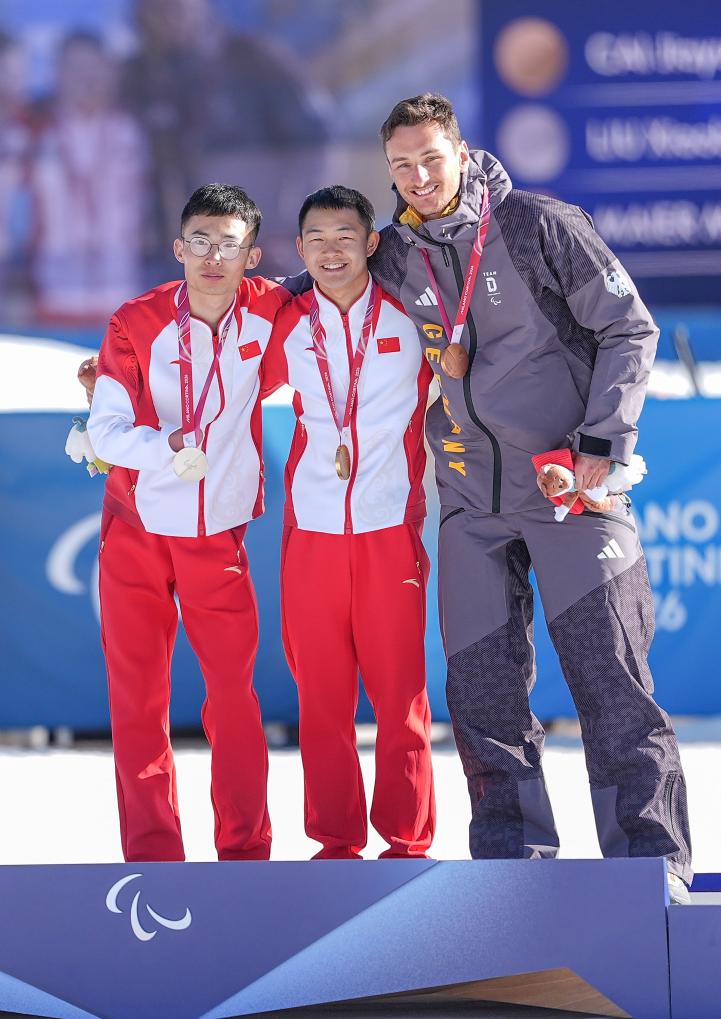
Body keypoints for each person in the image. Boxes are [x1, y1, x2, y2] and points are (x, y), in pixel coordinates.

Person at [368, 94, 692, 900]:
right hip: (469, 503)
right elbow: (312, 286)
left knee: (611, 685)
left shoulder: (535, 225)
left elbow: (629, 328)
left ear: (461, 151)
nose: (417, 176)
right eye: (401, 165)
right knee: (481, 698)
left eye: (430, 157)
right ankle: (512, 878)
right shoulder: (393, 253)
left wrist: (599, 445)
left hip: (568, 490)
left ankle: (649, 875)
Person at [86, 183, 293, 862]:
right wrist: (164, 447)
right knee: (137, 702)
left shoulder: (272, 310)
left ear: (251, 256)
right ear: (178, 248)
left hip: (218, 537)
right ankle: (153, 859)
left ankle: (246, 855)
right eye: (199, 241)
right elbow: (105, 430)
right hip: (136, 530)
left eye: (228, 245)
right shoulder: (135, 320)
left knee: (232, 699)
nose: (212, 257)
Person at [262, 186, 435, 859]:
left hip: (389, 528)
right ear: (299, 249)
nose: (331, 250)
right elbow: (220, 376)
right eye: (317, 239)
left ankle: (407, 842)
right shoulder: (285, 322)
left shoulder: (411, 313)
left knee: (400, 699)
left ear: (371, 242)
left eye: (345, 236)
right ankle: (335, 843)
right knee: (322, 701)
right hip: (311, 536)